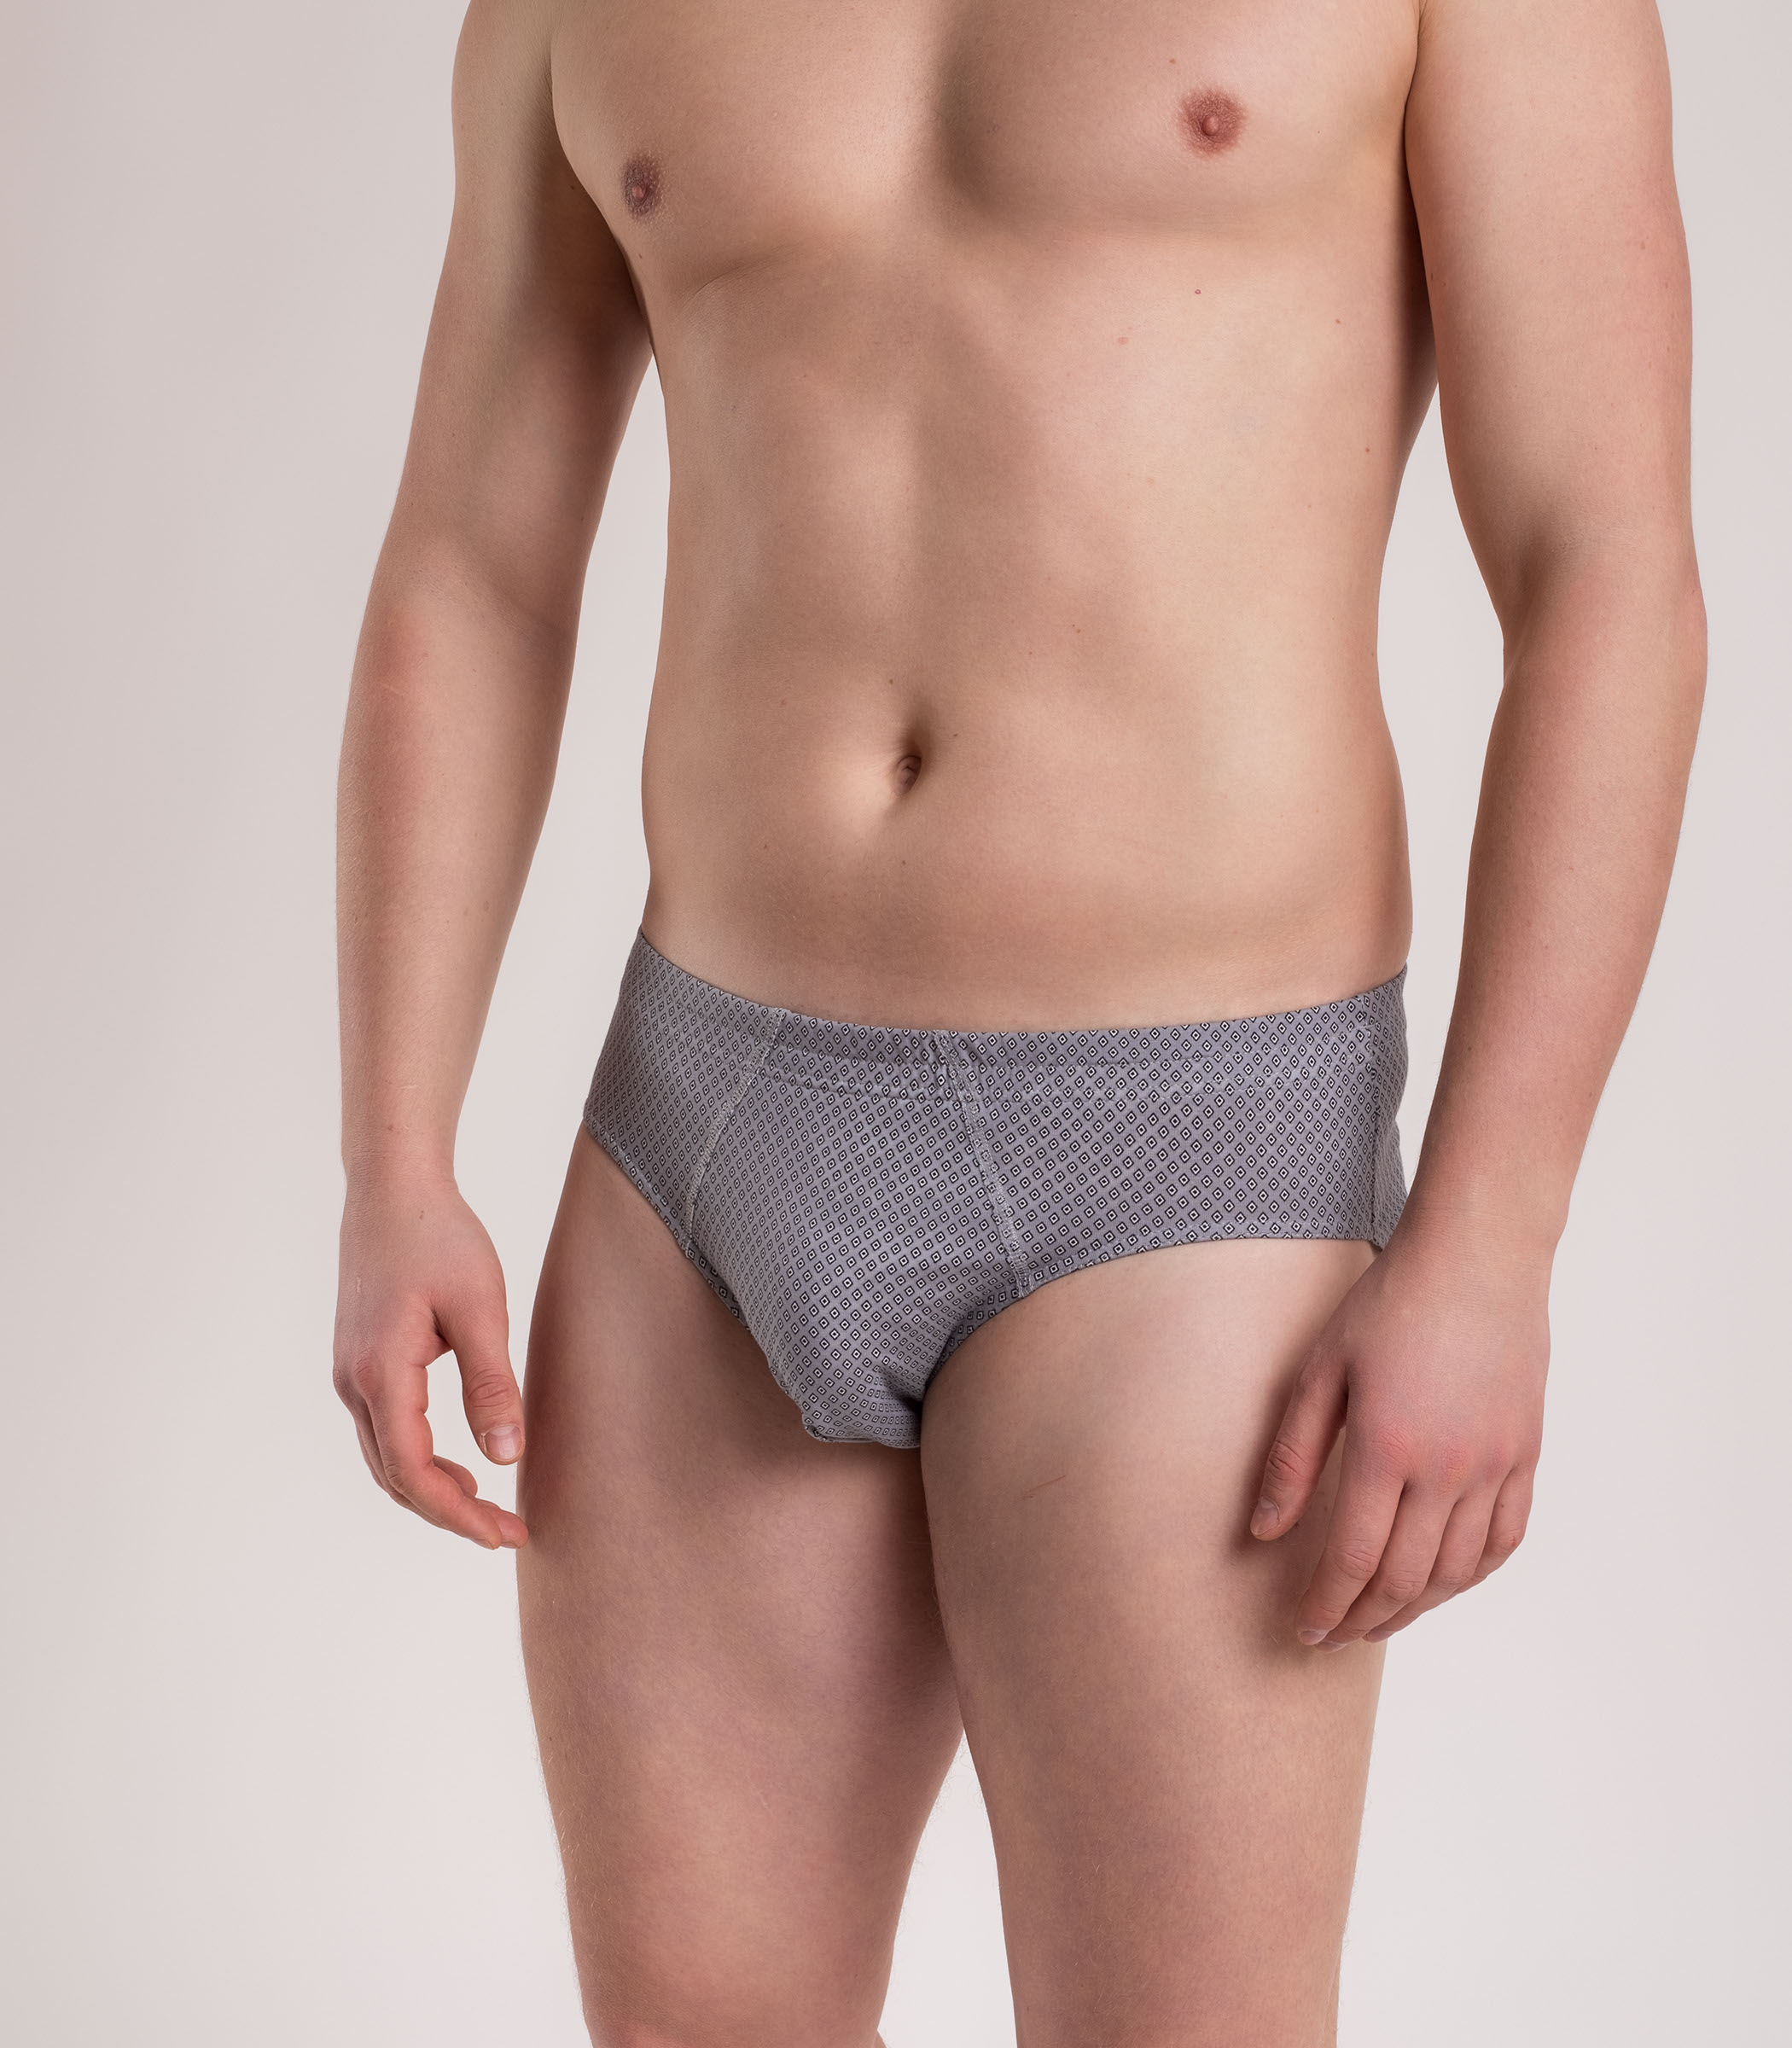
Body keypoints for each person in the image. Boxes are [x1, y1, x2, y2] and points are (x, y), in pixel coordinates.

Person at [331, 0, 1704, 2039]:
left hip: (1194, 1154)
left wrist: (1495, 1234)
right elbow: (474, 565)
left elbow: (1604, 566)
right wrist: (393, 1157)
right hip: (704, 1131)